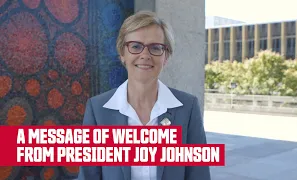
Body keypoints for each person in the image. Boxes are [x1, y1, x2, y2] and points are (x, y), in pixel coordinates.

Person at [78, 10, 211, 180]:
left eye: (156, 48)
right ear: (122, 54)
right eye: (135, 46)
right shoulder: (97, 110)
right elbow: (88, 176)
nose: (145, 55)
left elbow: (198, 175)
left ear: (166, 57)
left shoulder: (188, 108)